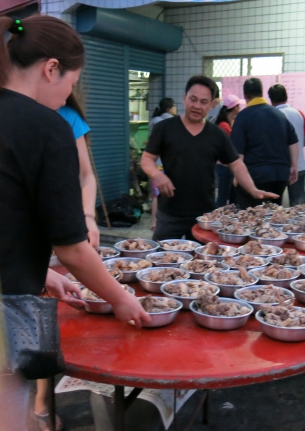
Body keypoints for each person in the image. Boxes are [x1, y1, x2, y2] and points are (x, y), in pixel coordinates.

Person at [0, 15, 150, 431]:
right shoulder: (46, 126)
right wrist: (120, 298)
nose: (69, 95)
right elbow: (72, 248)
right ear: (51, 68)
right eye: (72, 83)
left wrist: (42, 274)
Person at [141, 75, 278, 240]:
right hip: (170, 213)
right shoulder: (164, 128)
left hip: (204, 216)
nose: (197, 106)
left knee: (205, 255)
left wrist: (252, 189)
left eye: (204, 102)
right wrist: (157, 175)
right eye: (193, 99)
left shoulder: (217, 134)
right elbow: (147, 159)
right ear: (184, 99)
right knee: (161, 254)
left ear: (212, 104)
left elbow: (236, 165)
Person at [34, 92, 100, 431]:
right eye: (70, 80)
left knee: (53, 308)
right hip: (27, 230)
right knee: (35, 313)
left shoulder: (68, 117)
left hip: (64, 224)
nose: (70, 90)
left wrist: (88, 217)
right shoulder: (16, 111)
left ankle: (41, 397)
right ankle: (39, 400)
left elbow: (86, 176)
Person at [230, 78, 299, 209]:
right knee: (272, 214)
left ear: (245, 95)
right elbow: (293, 141)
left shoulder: (243, 117)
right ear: (262, 93)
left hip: (255, 175)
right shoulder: (279, 115)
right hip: (280, 175)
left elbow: (238, 151)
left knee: (251, 215)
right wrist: (294, 166)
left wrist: (237, 175)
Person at [268, 84, 305, 207]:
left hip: (278, 168)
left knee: (273, 206)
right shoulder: (298, 113)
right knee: (297, 206)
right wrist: (295, 150)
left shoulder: (272, 115)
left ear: (271, 99)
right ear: (286, 97)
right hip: (299, 166)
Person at [148, 98, 177, 230]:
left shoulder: (154, 121)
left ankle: (154, 222)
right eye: (174, 106)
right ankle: (158, 222)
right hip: (163, 164)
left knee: (156, 194)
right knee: (162, 194)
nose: (176, 108)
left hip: (154, 164)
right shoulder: (169, 122)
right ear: (169, 109)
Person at [215, 94, 245, 207]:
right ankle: (217, 218)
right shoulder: (224, 126)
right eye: (238, 106)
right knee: (223, 200)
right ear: (235, 107)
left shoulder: (229, 123)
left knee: (231, 200)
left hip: (228, 167)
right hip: (225, 167)